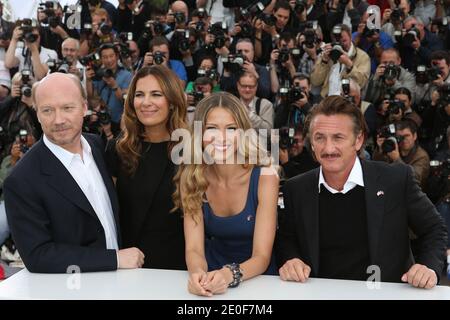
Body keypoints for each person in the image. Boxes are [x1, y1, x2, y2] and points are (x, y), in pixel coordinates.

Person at [276, 95, 447, 288]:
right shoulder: (296, 188)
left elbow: (434, 229)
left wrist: (428, 267)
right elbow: (287, 238)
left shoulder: (395, 180)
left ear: (358, 140)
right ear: (312, 143)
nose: (328, 148)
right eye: (320, 138)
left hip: (384, 294)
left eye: (338, 137)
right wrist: (291, 259)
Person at [3, 73, 144, 273]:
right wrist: (114, 259)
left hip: (122, 281)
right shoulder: (21, 180)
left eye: (67, 108)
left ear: (84, 107)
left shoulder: (96, 145)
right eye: (48, 110)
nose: (58, 120)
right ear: (37, 113)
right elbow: (38, 255)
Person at [173, 92, 279, 297]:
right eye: (212, 128)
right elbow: (194, 248)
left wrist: (229, 274)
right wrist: (197, 275)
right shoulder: (192, 177)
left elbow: (262, 255)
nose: (222, 138)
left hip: (259, 282)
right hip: (211, 279)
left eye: (231, 129)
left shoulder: (265, 177)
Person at [105, 66, 188, 270]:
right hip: (126, 268)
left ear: (172, 101)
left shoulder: (191, 151)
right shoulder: (118, 149)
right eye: (139, 95)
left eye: (156, 94)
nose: (146, 102)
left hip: (177, 271)